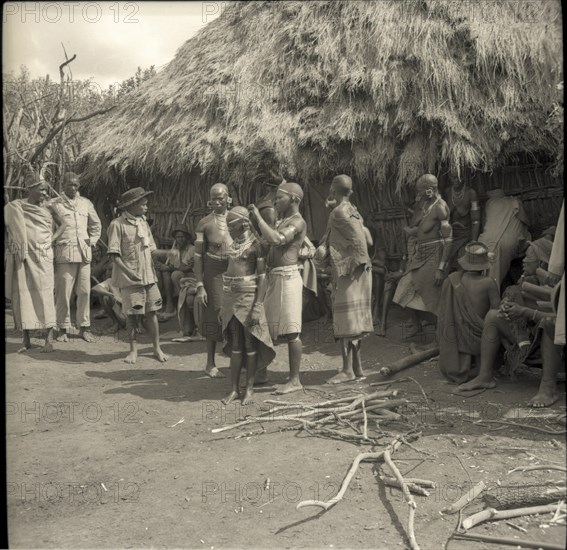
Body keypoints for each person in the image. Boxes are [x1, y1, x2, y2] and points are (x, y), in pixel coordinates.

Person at [249, 181, 307, 395]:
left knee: (292, 331)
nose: (275, 202)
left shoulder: (298, 222)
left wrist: (257, 216)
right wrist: (254, 228)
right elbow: (266, 243)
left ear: (294, 199)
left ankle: (295, 380)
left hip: (288, 278)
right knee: (264, 327)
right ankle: (262, 372)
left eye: (279, 198)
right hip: (275, 278)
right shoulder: (283, 221)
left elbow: (275, 240)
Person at [316, 175, 374, 383]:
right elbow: (367, 238)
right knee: (354, 319)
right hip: (362, 270)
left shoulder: (338, 213)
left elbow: (358, 242)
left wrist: (327, 252)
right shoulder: (353, 210)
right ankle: (356, 368)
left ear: (333, 190)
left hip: (349, 271)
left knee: (345, 320)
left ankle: (347, 370)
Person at [220, 207, 275, 404]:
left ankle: (249, 389)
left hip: (249, 300)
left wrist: (258, 306)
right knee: (235, 345)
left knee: (250, 344)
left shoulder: (256, 247)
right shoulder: (234, 245)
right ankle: (234, 389)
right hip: (231, 300)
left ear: (244, 223)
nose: (228, 229)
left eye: (231, 225)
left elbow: (262, 277)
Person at [5, 173, 65, 352]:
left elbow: (63, 224)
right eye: (40, 190)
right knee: (24, 295)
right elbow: (10, 225)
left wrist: (51, 240)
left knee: (45, 294)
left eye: (45, 190)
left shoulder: (50, 206)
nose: (44, 193)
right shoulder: (17, 207)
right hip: (23, 256)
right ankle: (26, 340)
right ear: (29, 189)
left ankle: (48, 339)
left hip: (44, 255)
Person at [107, 187, 168, 364]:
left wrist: (168, 252)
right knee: (133, 316)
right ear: (132, 205)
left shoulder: (143, 223)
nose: (146, 207)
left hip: (148, 276)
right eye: (143, 204)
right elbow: (114, 255)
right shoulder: (117, 225)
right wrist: (129, 273)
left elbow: (152, 250)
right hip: (130, 278)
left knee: (153, 313)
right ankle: (133, 351)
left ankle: (156, 348)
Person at [393, 174, 452, 337]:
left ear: (429, 190)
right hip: (421, 256)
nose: (418, 195)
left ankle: (441, 339)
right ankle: (418, 325)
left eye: (420, 192)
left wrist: (441, 267)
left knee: (433, 298)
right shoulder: (426, 204)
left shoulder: (440, 207)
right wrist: (413, 231)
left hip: (434, 256)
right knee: (403, 289)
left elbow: (448, 240)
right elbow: (423, 229)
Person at [49, 172, 101, 342]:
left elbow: (96, 225)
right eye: (70, 184)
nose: (73, 188)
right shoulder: (54, 204)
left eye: (76, 185)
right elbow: (49, 229)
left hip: (84, 254)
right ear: (62, 184)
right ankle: (62, 328)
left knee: (85, 291)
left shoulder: (86, 203)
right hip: (64, 254)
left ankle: (84, 327)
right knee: (63, 293)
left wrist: (91, 241)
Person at [437, 242, 500, 384]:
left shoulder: (453, 280)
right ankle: (484, 367)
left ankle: (467, 365)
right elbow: (497, 311)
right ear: (484, 265)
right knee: (496, 327)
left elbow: (444, 314)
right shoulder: (489, 282)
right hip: (481, 335)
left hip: (456, 334)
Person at [194, 183, 233, 377]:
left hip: (235, 271)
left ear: (228, 198)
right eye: (214, 198)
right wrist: (200, 285)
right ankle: (210, 363)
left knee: (236, 314)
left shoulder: (238, 219)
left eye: (221, 198)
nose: (217, 202)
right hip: (214, 272)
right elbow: (198, 257)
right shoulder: (204, 224)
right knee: (214, 314)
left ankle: (237, 359)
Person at [479, 188, 531, 289]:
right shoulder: (514, 202)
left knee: (486, 276)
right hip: (508, 243)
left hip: (485, 242)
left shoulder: (489, 204)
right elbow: (526, 221)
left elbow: (483, 225)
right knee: (494, 279)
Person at [156, 224, 195, 322]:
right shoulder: (175, 250)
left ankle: (174, 304)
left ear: (187, 238)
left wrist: (169, 268)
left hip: (190, 275)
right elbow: (170, 263)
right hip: (180, 273)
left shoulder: (192, 249)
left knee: (174, 274)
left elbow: (187, 268)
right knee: (163, 272)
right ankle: (166, 304)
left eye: (182, 237)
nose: (180, 239)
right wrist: (162, 266)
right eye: (178, 237)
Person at [443, 173, 481, 271]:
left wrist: (473, 241)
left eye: (459, 177)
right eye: (453, 177)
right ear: (449, 177)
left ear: (464, 177)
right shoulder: (447, 192)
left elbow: (476, 220)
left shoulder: (471, 193)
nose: (456, 180)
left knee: (462, 261)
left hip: (465, 235)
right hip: (451, 235)